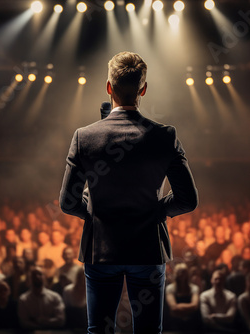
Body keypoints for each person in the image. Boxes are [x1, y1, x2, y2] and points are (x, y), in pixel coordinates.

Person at [59, 51, 198, 334]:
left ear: (108, 87)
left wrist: (94, 208)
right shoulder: (165, 135)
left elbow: (67, 202)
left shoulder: (84, 137)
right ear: (143, 90)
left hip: (101, 251)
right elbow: (187, 200)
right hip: (147, 249)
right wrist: (154, 210)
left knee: (99, 330)